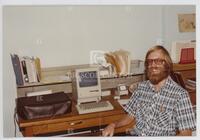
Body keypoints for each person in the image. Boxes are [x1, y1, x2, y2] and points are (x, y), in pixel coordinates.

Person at [102, 45, 196, 136]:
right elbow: (129, 117)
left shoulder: (180, 95)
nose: (152, 65)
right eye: (149, 62)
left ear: (167, 64)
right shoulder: (141, 88)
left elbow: (186, 134)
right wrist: (113, 124)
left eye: (158, 61)